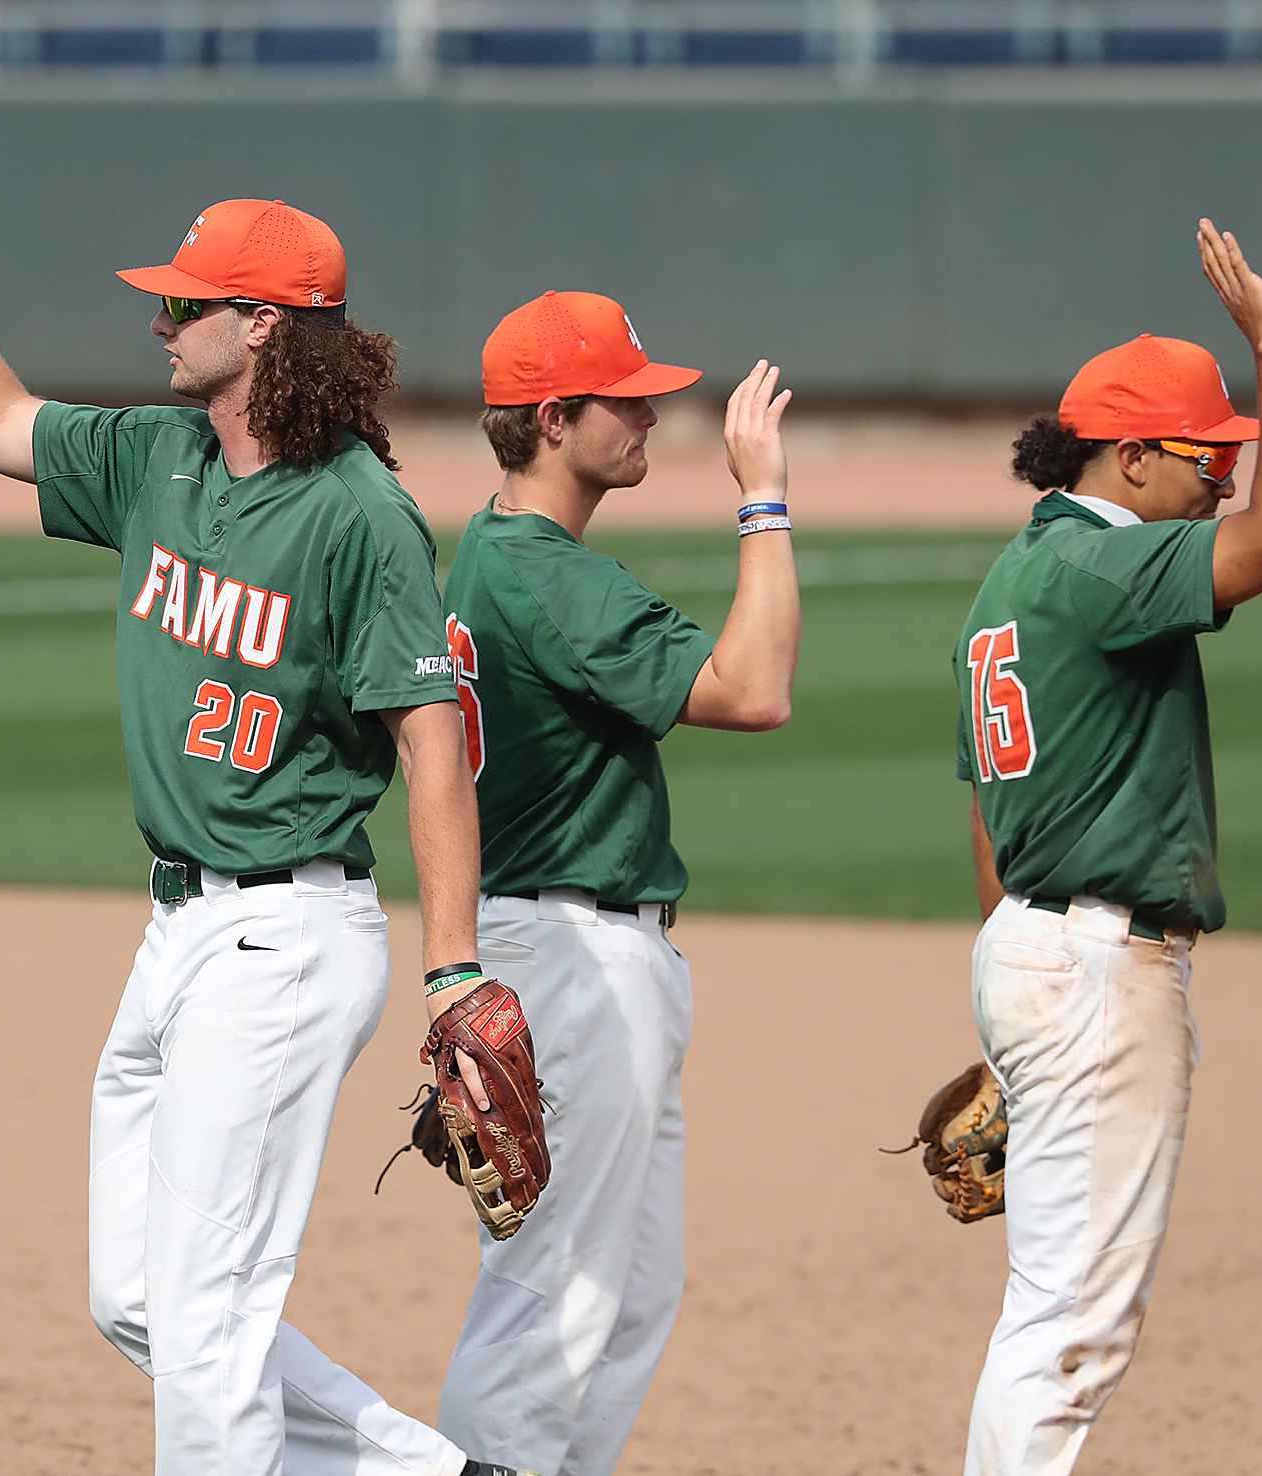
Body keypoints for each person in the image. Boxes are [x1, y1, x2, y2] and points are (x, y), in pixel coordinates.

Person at [0, 79, 532, 1476]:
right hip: (174, 937)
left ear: (263, 324)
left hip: (285, 938)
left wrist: (453, 969)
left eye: (184, 305)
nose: (158, 322)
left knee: (209, 1323)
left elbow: (429, 745)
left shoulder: (359, 518)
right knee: (145, 1303)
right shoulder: (157, 458)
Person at [955, 220, 1262, 1476]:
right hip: (1099, 971)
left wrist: (1019, 996)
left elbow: (984, 810)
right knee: (1070, 1326)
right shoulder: (1102, 568)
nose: (1225, 473)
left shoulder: (1016, 576)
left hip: (1038, 950)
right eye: (1205, 452)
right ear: (1127, 458)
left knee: (1052, 1308)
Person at [434, 291, 799, 1476]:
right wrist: (763, 500)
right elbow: (754, 690)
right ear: (550, 420)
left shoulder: (495, 554)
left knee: (631, 1292)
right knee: (556, 1294)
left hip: (563, 946)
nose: (651, 415)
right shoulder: (545, 573)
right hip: (574, 959)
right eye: (624, 401)